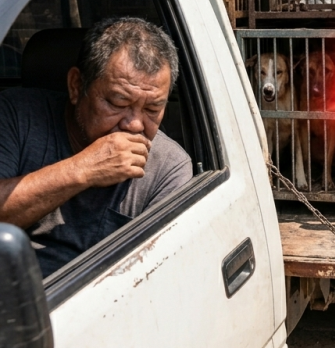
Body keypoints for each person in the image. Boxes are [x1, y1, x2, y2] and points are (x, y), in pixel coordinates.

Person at [0, 17, 193, 279]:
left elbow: (153, 278)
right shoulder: (17, 115)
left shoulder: (169, 167)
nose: (135, 125)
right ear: (76, 86)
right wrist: (82, 169)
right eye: (118, 103)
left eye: (152, 109)